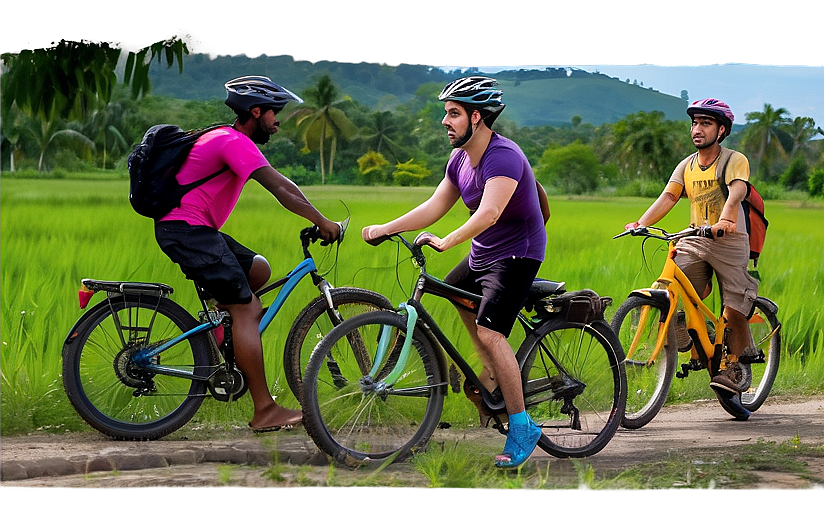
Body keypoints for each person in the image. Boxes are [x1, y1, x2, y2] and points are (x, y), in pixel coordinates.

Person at [362, 76, 548, 467]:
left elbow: (490, 212)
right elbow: (434, 206)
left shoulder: (504, 156)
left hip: (518, 254)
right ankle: (490, 373)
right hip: (485, 252)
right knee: (454, 292)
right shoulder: (459, 160)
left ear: (476, 117)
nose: (445, 121)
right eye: (446, 113)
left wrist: (448, 241)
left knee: (491, 331)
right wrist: (386, 228)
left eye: (453, 114)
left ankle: (522, 425)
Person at [154, 76, 341, 432]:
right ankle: (264, 410)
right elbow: (280, 186)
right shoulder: (232, 141)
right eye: (274, 114)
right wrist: (321, 220)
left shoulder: (227, 138)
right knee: (248, 308)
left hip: (196, 231)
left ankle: (221, 328)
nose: (278, 121)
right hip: (187, 231)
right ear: (256, 111)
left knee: (258, 270)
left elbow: (283, 184)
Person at [624, 97, 759, 420]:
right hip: (695, 238)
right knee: (670, 288)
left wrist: (726, 219)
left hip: (729, 239)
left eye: (705, 124)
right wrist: (642, 223)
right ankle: (681, 323)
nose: (697, 130)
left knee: (734, 305)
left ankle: (735, 363)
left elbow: (737, 190)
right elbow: (670, 195)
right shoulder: (686, 165)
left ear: (721, 130)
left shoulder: (733, 160)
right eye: (694, 123)